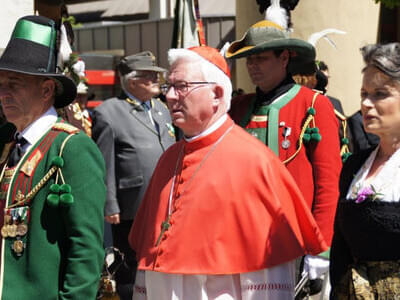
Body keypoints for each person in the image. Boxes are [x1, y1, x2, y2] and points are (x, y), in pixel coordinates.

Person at [129, 45, 328, 300]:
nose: (169, 96)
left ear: (216, 93)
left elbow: (267, 274)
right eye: (169, 87)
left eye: (182, 87)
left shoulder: (254, 161)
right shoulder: (169, 158)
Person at [226, 20, 342, 284]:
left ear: (285, 57)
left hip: (293, 241)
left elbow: (328, 182)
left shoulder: (313, 105)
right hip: (240, 237)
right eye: (249, 60)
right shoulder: (237, 107)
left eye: (261, 58)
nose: (253, 66)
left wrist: (321, 249)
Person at [0, 15, 106, 299]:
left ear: (46, 89)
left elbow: (85, 248)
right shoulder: (5, 141)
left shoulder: (71, 148)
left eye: (14, 83)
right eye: (1, 84)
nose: (3, 92)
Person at [92, 51, 176, 300]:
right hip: (131, 206)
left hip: (166, 203)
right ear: (131, 80)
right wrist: (110, 203)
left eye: (156, 75)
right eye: (148, 75)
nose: (155, 80)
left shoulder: (162, 109)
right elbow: (103, 162)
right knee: (130, 268)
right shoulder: (109, 112)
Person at [330, 42, 400, 299]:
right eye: (363, 94)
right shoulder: (354, 167)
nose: (366, 104)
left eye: (380, 94)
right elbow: (340, 250)